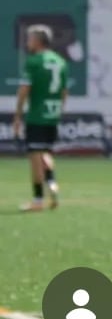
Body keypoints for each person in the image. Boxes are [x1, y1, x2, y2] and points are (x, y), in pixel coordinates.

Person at [14, 25, 67, 212]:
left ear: (38, 41)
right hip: (52, 114)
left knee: (35, 156)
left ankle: (37, 200)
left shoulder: (34, 62)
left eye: (29, 38)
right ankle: (51, 182)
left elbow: (24, 90)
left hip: (36, 115)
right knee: (46, 151)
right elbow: (64, 91)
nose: (27, 42)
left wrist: (18, 116)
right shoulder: (60, 62)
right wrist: (59, 111)